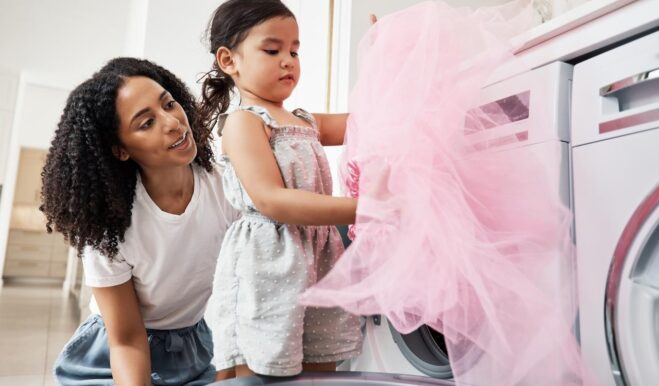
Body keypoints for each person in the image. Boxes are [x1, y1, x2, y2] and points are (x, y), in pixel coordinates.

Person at [41, 57, 238, 386]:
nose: (173, 122)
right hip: (111, 357)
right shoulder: (109, 229)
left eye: (169, 104)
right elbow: (127, 340)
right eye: (146, 123)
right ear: (120, 150)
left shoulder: (224, 188)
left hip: (191, 347)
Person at [200, 0, 363, 380]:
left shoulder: (304, 120)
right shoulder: (243, 122)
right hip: (266, 263)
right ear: (229, 60)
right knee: (257, 367)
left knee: (319, 367)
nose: (288, 60)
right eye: (272, 50)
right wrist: (364, 208)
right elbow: (272, 200)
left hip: (318, 259)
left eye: (294, 50)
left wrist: (385, 62)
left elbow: (368, 120)